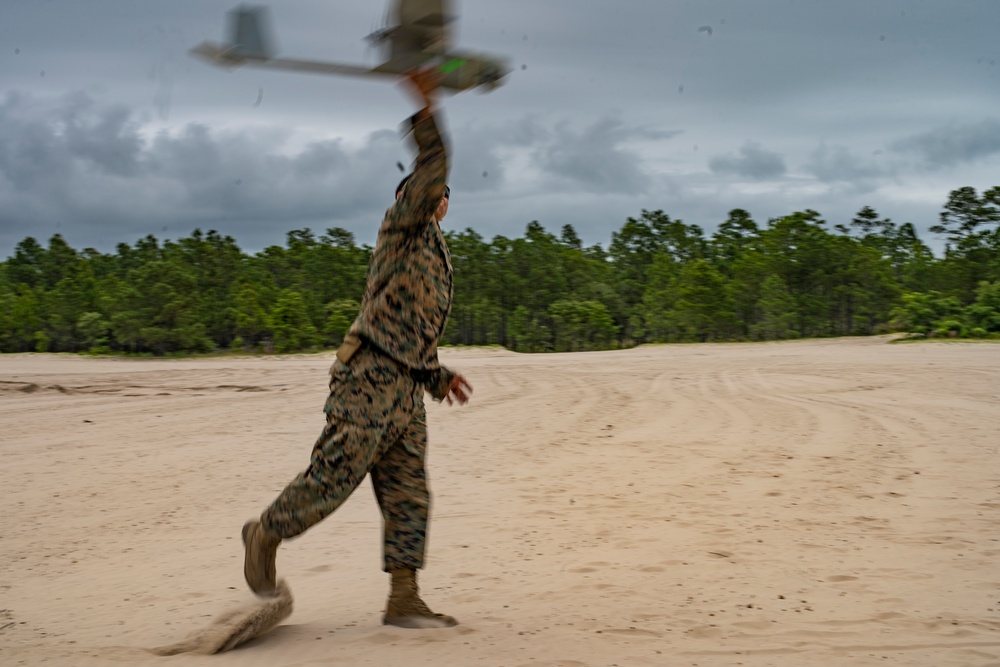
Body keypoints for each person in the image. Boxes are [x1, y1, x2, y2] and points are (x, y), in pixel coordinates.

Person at [241, 68, 472, 630]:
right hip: (366, 382)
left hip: (405, 392)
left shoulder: (436, 253)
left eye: (443, 196)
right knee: (333, 479)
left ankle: (403, 598)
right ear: (409, 196)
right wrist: (425, 101)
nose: (439, 197)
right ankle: (265, 532)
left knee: (410, 497)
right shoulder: (401, 227)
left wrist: (437, 377)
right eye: (429, 190)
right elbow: (433, 168)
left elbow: (411, 331)